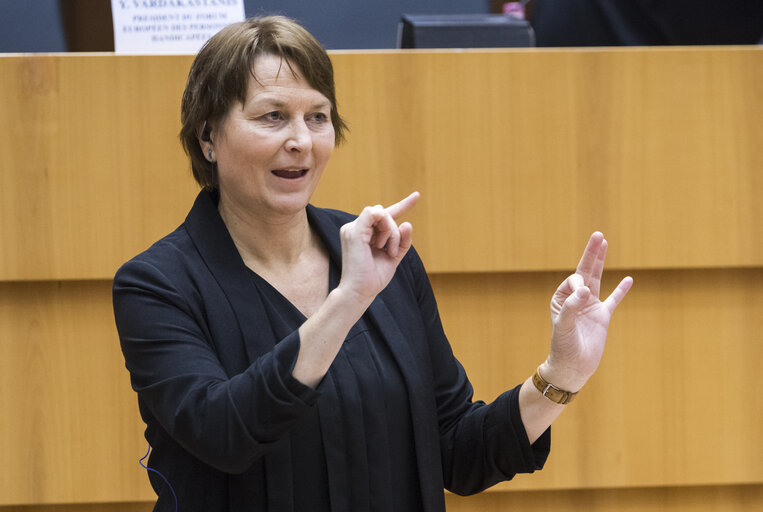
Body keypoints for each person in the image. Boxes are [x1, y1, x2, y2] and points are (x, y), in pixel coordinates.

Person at [113, 15, 633, 512]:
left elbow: (454, 450)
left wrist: (559, 375)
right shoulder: (158, 285)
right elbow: (223, 434)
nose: (300, 140)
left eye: (317, 117)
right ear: (208, 137)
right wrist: (348, 300)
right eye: (272, 116)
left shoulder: (386, 259)